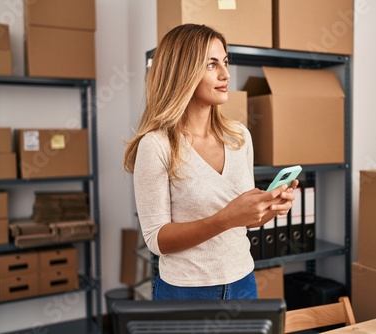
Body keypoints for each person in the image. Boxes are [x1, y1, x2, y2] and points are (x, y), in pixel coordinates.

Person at [124, 23, 298, 300]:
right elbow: (157, 240)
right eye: (211, 64)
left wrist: (269, 209)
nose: (225, 74)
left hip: (243, 283)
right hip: (185, 292)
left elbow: (242, 221)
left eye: (226, 62)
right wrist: (225, 218)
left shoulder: (239, 136)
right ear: (182, 72)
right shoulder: (156, 145)